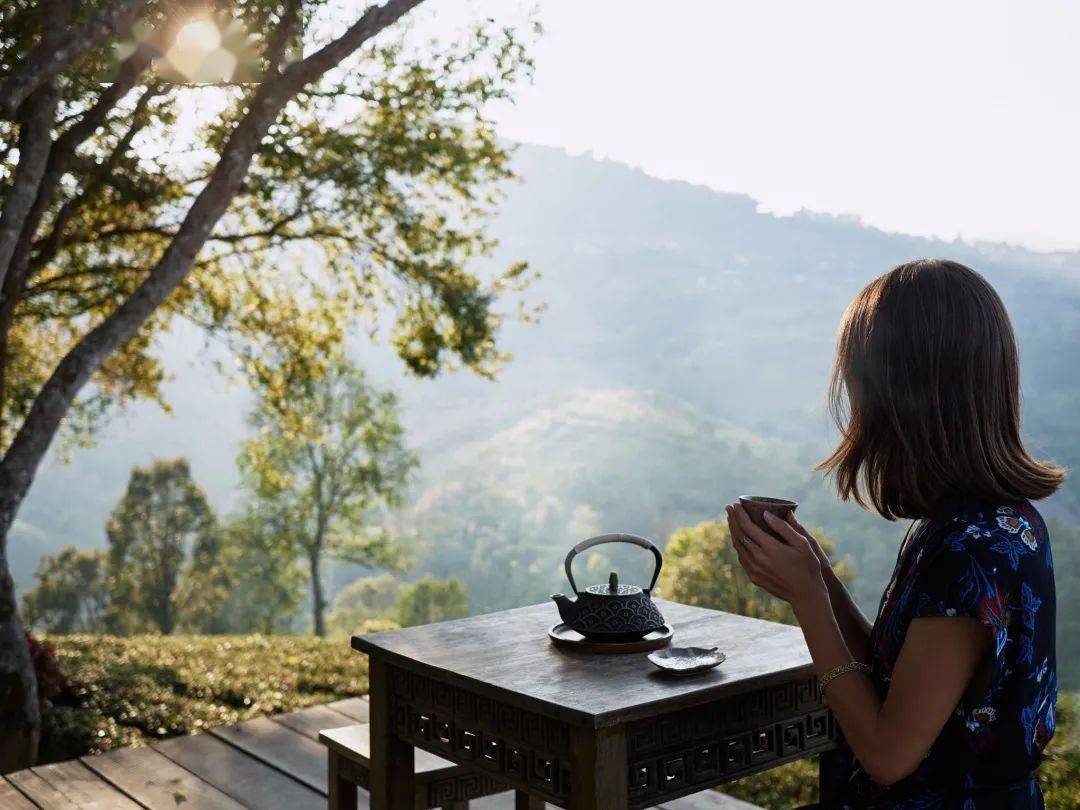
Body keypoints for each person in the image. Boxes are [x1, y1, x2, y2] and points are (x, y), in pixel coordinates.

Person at [725, 259, 1063, 809]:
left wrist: (808, 600)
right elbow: (892, 680)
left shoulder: (970, 551)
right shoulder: (986, 521)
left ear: (899, 392)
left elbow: (887, 756)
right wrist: (820, 578)